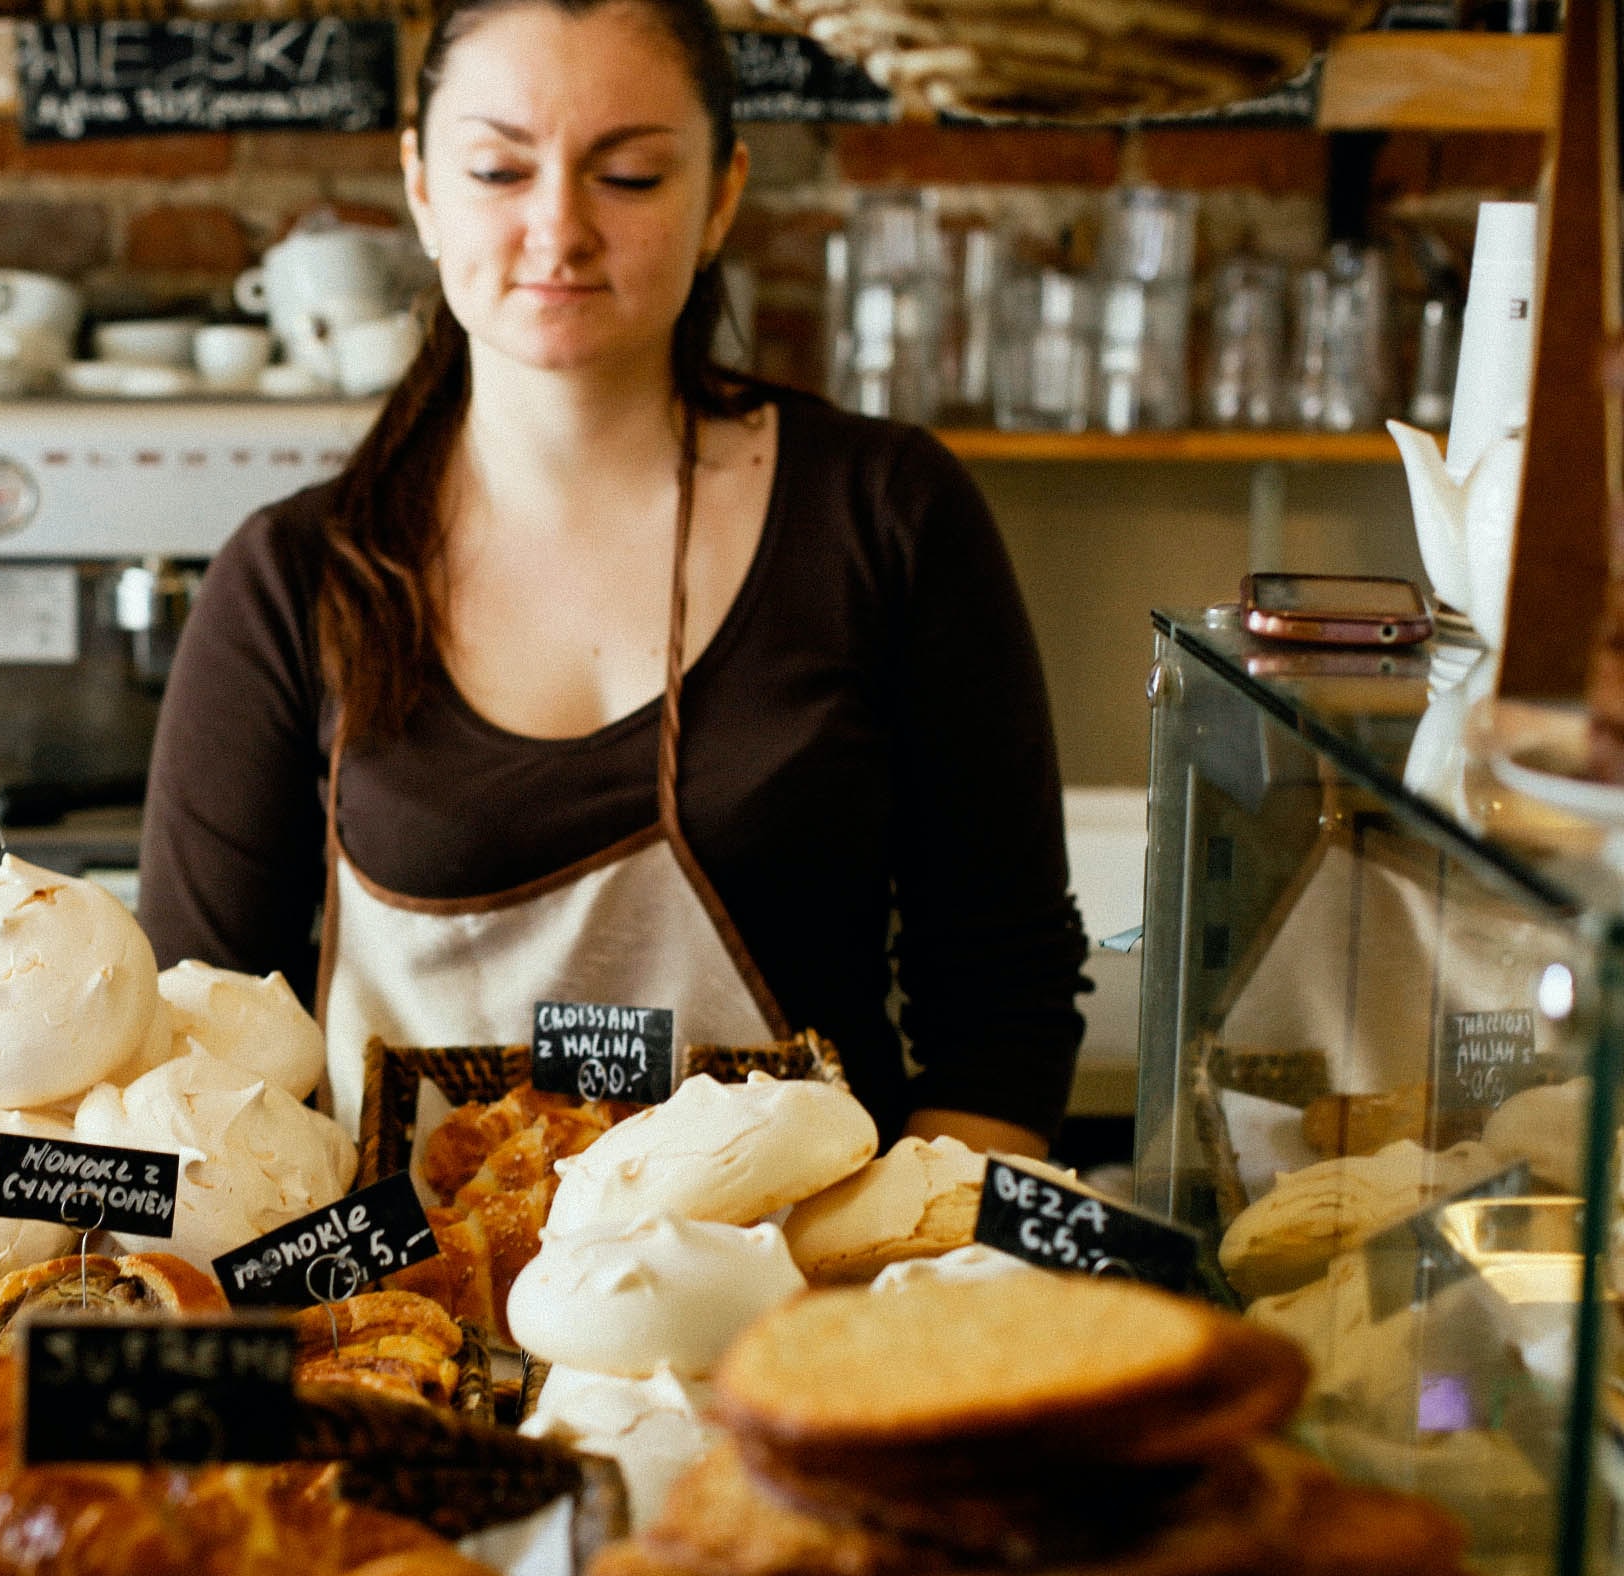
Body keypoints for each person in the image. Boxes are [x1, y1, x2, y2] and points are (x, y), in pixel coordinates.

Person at [135, 0, 1088, 1154]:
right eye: (497, 169)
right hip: (390, 1323)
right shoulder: (294, 578)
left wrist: (897, 1294)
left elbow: (1003, 1003)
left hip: (790, 1305)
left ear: (721, 195)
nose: (558, 230)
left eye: (629, 176)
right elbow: (192, 1059)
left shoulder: (884, 515)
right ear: (422, 189)